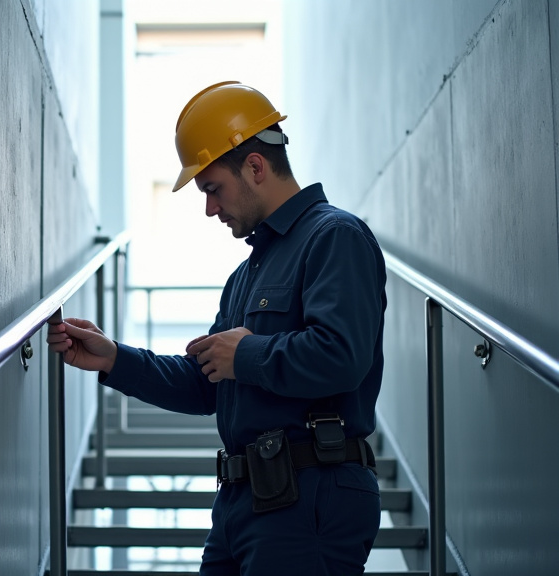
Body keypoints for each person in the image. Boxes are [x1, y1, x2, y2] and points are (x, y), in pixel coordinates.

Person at [46, 81, 388, 575]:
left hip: (310, 497)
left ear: (254, 166)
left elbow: (342, 356)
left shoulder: (335, 237)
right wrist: (115, 358)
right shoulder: (244, 277)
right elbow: (206, 381)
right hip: (243, 504)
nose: (210, 209)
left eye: (212, 189)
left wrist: (246, 355)